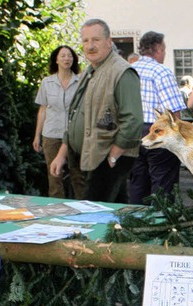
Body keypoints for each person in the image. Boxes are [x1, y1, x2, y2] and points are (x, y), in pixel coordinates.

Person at [50, 19, 143, 203]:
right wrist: (62, 154)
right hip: (92, 156)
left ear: (109, 42)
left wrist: (114, 155)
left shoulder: (122, 72)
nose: (90, 46)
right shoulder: (90, 71)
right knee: (115, 212)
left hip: (107, 156)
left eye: (96, 40)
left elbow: (133, 120)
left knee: (96, 212)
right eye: (85, 41)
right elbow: (75, 115)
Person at [128, 31, 187, 205]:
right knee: (163, 182)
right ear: (158, 49)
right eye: (165, 49)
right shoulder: (161, 72)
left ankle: (135, 223)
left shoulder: (129, 70)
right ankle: (160, 224)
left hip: (131, 130)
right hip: (157, 132)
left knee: (137, 182)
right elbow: (173, 113)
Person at [33, 45, 86, 199]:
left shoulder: (80, 81)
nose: (66, 59)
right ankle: (56, 210)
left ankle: (83, 208)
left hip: (74, 135)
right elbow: (43, 109)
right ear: (56, 59)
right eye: (62, 56)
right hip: (51, 134)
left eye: (69, 56)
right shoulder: (47, 82)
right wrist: (37, 135)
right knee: (54, 176)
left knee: (78, 176)